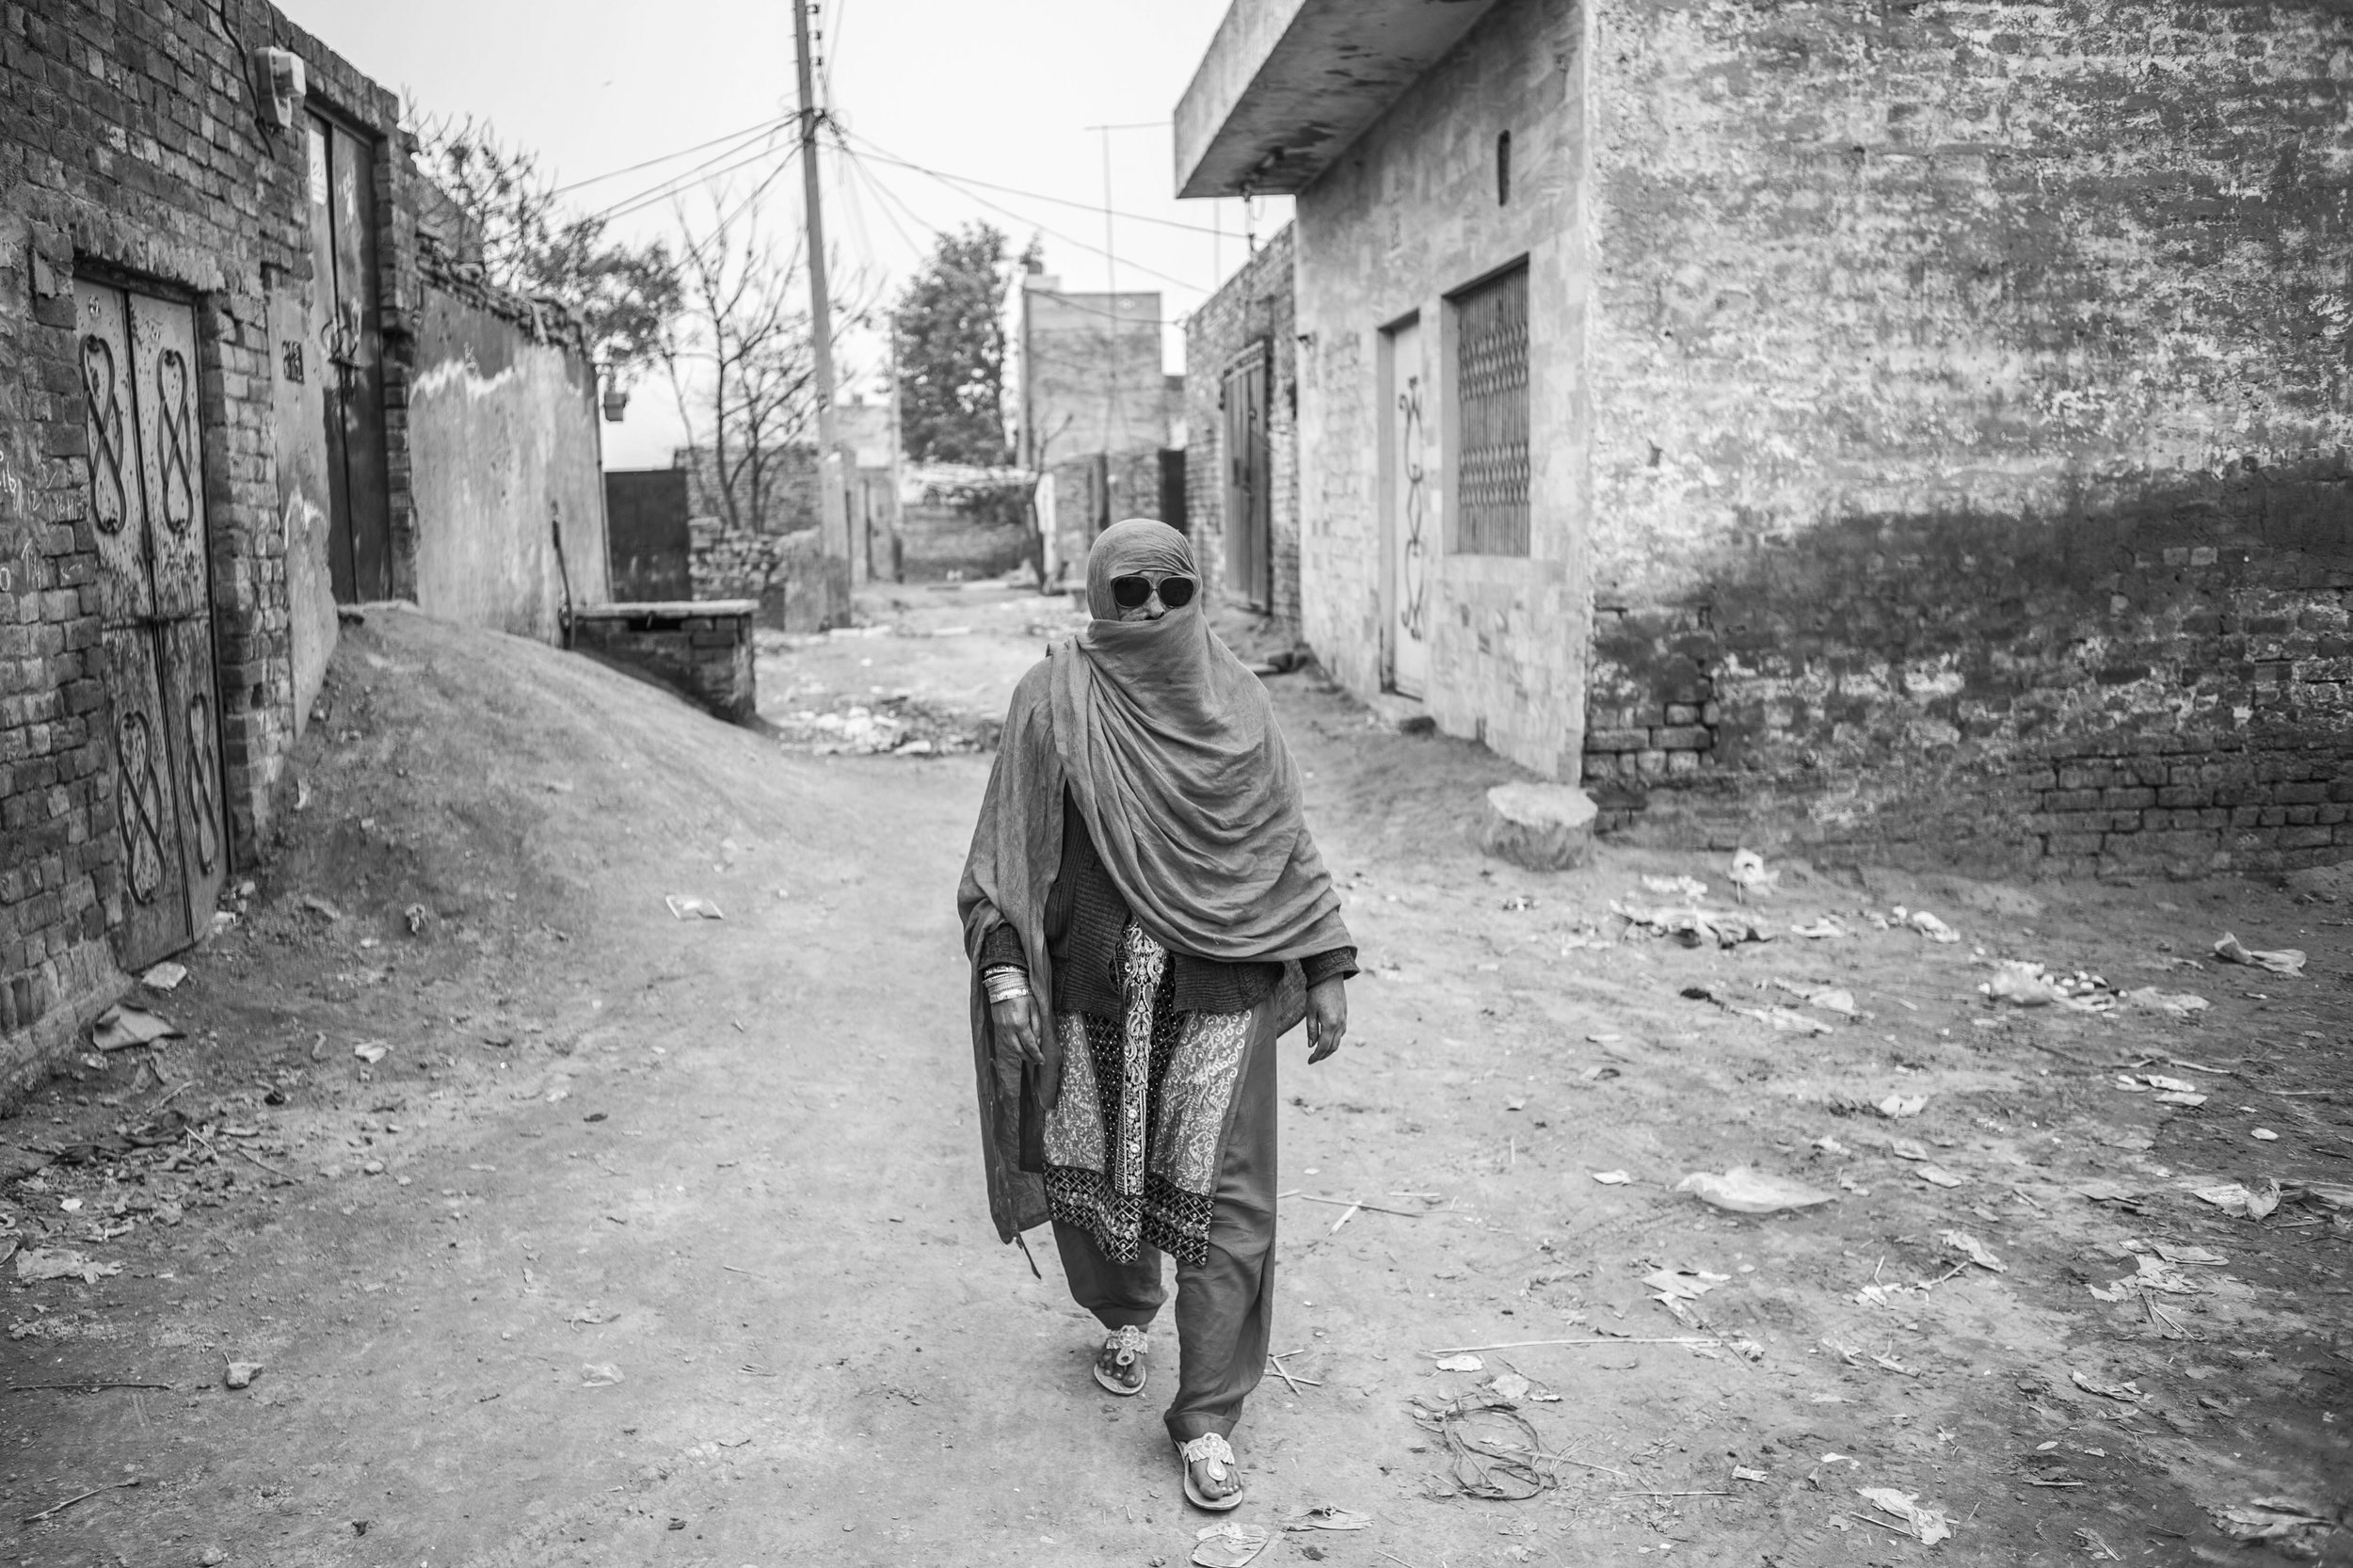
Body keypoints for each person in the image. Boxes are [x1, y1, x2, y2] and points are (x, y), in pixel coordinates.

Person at [957, 519, 1356, 1512]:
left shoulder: (1238, 702)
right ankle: (1124, 1313)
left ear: (1197, 595)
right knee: (1096, 1174)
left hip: (1223, 995)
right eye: (1127, 591)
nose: (1148, 612)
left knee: (1231, 1208)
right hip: (1092, 992)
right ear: (1097, 595)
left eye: (1170, 593)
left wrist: (1328, 963)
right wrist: (1007, 971)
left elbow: (1282, 841)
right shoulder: (1053, 699)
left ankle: (1209, 1416)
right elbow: (999, 857)